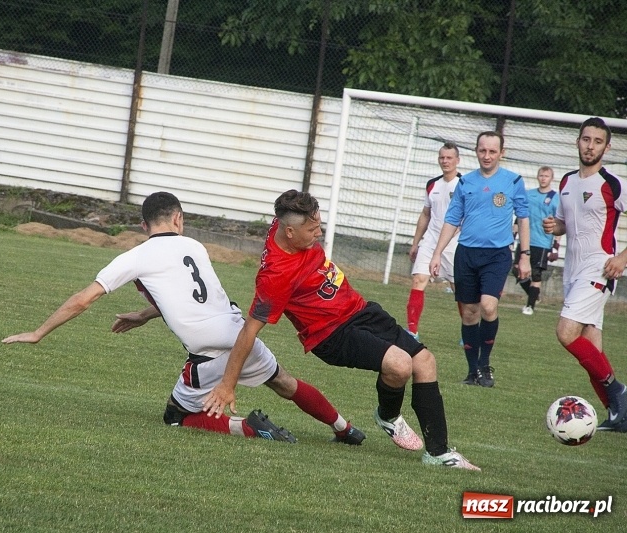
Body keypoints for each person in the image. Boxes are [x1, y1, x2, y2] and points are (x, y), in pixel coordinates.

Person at [2, 191, 366, 444]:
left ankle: (252, 429)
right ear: (179, 219)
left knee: (175, 417)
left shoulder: (137, 256)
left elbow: (84, 300)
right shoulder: (194, 245)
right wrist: (147, 313)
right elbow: (191, 296)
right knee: (285, 383)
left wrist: (38, 332)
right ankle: (344, 428)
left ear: (145, 225)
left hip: (208, 353)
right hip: (241, 333)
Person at [203, 190, 480, 471]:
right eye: (312, 229)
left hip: (360, 309)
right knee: (400, 365)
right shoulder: (275, 275)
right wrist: (227, 385)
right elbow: (249, 330)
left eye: (319, 224)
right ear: (289, 232)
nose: (319, 233)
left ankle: (439, 453)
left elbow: (289, 208)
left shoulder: (283, 225)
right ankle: (389, 416)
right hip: (331, 334)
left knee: (425, 361)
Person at [543, 117, 627, 432]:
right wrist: (555, 227)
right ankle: (619, 416)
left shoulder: (612, 183)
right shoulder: (566, 181)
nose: (590, 146)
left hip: (600, 266)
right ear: (578, 141)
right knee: (591, 347)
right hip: (573, 271)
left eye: (597, 141)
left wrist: (622, 258)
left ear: (606, 146)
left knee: (566, 332)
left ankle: (618, 391)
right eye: (586, 139)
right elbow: (566, 223)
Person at [430, 131, 530, 388]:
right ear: (476, 151)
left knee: (488, 306)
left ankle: (485, 365)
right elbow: (452, 219)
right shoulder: (465, 183)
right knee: (469, 314)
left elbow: (523, 218)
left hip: (497, 255)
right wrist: (437, 252)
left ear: (501, 153)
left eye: (492, 151)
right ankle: (472, 371)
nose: (487, 156)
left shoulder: (514, 181)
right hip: (466, 254)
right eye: (482, 150)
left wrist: (525, 255)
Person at [406, 142, 462, 339]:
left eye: (449, 158)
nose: (445, 161)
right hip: (430, 240)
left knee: (459, 290)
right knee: (418, 279)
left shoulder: (465, 184)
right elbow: (425, 214)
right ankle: (412, 331)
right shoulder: (432, 185)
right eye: (442, 157)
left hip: (454, 242)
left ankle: (469, 331)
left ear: (457, 160)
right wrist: (415, 243)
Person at [513, 166, 560, 316]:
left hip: (543, 242)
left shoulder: (555, 198)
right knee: (517, 270)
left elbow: (559, 223)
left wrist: (555, 247)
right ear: (537, 177)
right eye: (541, 175)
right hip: (525, 240)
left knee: (536, 274)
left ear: (551, 178)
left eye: (546, 176)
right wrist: (512, 237)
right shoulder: (529, 194)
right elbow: (519, 216)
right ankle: (535, 295)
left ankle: (530, 306)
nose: (543, 178)